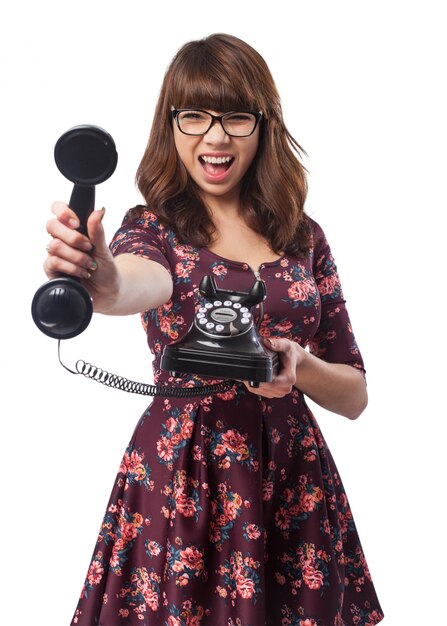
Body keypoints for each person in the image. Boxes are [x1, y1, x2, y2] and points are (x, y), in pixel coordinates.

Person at [44, 33, 384, 626]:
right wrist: (100, 277)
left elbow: (355, 395)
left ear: (263, 126)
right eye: (194, 115)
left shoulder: (303, 236)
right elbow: (137, 282)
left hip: (292, 480)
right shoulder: (153, 227)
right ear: (171, 126)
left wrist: (300, 365)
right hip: (184, 476)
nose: (216, 135)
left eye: (235, 117)